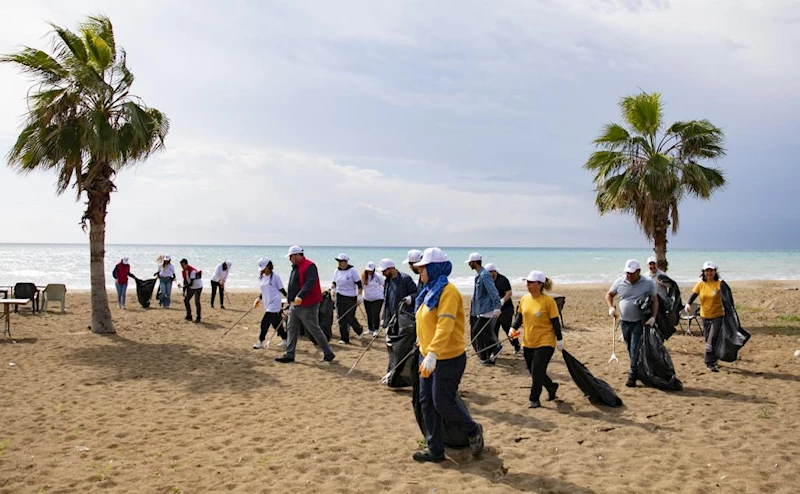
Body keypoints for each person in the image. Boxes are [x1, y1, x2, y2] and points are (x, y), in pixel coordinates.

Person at [412, 247, 485, 463]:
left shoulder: (448, 292)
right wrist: (422, 343)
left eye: (423, 268)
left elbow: (445, 325)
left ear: (434, 268)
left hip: (447, 358)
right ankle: (435, 449)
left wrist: (433, 353)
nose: (420, 272)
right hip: (427, 356)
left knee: (442, 403)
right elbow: (424, 320)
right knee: (426, 402)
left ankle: (473, 430)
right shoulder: (428, 290)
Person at [510, 270, 564, 408]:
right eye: (527, 282)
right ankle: (551, 387)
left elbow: (555, 322)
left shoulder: (548, 301)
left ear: (540, 284)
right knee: (535, 372)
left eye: (530, 282)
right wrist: (513, 328)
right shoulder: (524, 299)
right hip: (528, 342)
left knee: (537, 371)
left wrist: (559, 340)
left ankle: (534, 399)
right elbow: (519, 316)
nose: (527, 285)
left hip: (545, 342)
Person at [275, 246, 336, 364]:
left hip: (308, 304)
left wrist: (300, 296)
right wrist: (290, 298)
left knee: (314, 329)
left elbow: (310, 282)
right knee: (291, 328)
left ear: (297, 255)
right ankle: (289, 354)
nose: (289, 259)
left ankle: (328, 352)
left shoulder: (310, 266)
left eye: (291, 257)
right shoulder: (296, 267)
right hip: (295, 304)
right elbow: (293, 283)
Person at [606, 259, 658, 387]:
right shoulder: (620, 281)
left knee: (634, 349)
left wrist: (653, 317)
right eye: (627, 273)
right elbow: (609, 294)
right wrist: (611, 307)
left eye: (632, 273)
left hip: (639, 322)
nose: (629, 275)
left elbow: (655, 300)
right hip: (624, 322)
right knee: (630, 348)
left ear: (638, 271)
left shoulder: (648, 283)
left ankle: (632, 377)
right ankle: (638, 368)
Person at [685, 261, 724, 372]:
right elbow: (692, 297)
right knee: (708, 339)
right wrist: (688, 304)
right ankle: (714, 359)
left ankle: (709, 362)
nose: (709, 273)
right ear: (703, 272)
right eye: (706, 271)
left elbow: (727, 298)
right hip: (705, 316)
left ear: (715, 271)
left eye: (711, 270)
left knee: (712, 339)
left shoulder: (719, 284)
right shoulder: (700, 284)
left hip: (718, 316)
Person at [465, 252, 502, 365]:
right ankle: (489, 357)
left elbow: (493, 292)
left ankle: (497, 347)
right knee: (482, 332)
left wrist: (497, 307)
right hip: (480, 310)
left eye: (470, 263)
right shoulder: (479, 275)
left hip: (487, 310)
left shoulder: (485, 275)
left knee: (477, 331)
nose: (469, 265)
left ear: (475, 263)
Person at [253, 257, 288, 349]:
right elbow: (263, 291)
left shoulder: (275, 277)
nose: (262, 270)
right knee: (276, 323)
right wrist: (258, 299)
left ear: (268, 266)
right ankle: (285, 339)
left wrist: (289, 299)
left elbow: (281, 289)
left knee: (265, 322)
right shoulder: (262, 277)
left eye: (264, 268)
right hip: (267, 303)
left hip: (275, 302)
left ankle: (260, 341)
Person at [485, 263, 521, 355]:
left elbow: (509, 293)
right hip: (494, 309)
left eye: (489, 273)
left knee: (507, 329)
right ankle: (496, 347)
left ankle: (516, 345)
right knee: (493, 329)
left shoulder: (503, 280)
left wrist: (503, 300)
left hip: (506, 309)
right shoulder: (487, 280)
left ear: (494, 271)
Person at [331, 253, 364, 344]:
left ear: (346, 262)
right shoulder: (336, 271)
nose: (339, 263)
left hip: (351, 297)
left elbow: (359, 284)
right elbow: (334, 282)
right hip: (340, 296)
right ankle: (344, 338)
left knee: (349, 317)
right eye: (338, 261)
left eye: (341, 261)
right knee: (341, 318)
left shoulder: (352, 271)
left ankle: (359, 330)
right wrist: (333, 288)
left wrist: (359, 296)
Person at [379, 258, 418, 334]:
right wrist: (384, 317)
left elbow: (417, 294)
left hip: (404, 317)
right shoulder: (387, 281)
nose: (382, 273)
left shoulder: (406, 279)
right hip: (391, 317)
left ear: (391, 269)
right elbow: (386, 301)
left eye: (384, 271)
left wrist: (410, 298)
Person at [361, 261, 384, 337]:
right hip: (367, 298)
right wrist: (359, 296)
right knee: (369, 314)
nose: (369, 271)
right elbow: (361, 287)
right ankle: (370, 329)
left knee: (375, 313)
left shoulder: (378, 276)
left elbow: (384, 284)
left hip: (378, 297)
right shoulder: (363, 276)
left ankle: (376, 329)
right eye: (368, 270)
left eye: (371, 270)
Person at [179, 258, 203, 323]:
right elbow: (185, 281)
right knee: (186, 300)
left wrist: (182, 287)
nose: (182, 267)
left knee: (197, 301)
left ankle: (198, 317)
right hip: (191, 287)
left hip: (197, 287)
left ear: (187, 264)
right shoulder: (183, 271)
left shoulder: (192, 271)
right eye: (181, 266)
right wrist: (183, 291)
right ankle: (189, 315)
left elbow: (191, 283)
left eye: (183, 265)